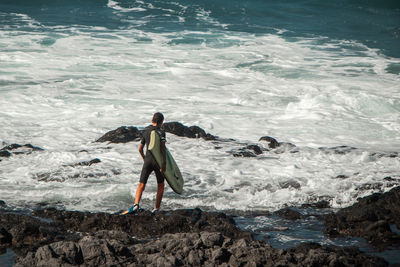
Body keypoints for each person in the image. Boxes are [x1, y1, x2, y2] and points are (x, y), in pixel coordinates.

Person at [127, 112, 166, 214]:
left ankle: (136, 205)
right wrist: (164, 163)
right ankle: (156, 209)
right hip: (158, 162)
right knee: (161, 185)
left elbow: (140, 149)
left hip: (148, 161)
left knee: (141, 185)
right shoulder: (161, 132)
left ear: (152, 120)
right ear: (161, 122)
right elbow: (162, 149)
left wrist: (145, 159)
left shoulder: (146, 131)